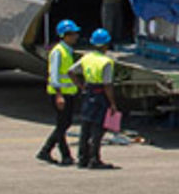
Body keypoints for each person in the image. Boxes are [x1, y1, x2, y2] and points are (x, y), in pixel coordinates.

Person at [70, 28, 119, 170]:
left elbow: (71, 71)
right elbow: (108, 85)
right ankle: (94, 159)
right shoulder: (106, 62)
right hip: (100, 95)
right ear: (105, 45)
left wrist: (81, 86)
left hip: (88, 92)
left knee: (85, 126)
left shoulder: (87, 57)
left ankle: (82, 158)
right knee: (98, 128)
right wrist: (112, 103)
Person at [36, 19, 80, 166]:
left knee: (64, 124)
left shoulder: (67, 51)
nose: (76, 36)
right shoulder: (58, 52)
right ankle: (61, 154)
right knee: (63, 124)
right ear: (66, 35)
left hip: (68, 92)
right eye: (74, 33)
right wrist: (59, 95)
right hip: (60, 93)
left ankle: (47, 150)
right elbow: (54, 75)